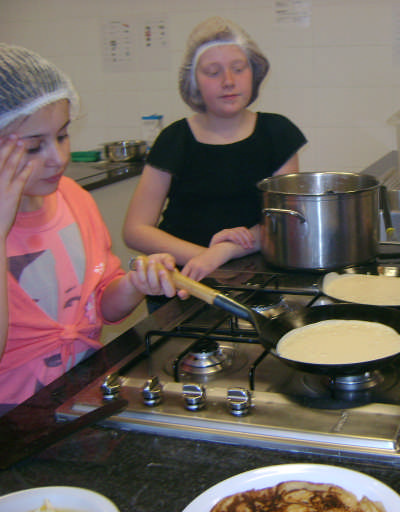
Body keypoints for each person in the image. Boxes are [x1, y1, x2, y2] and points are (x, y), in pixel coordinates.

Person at [0, 43, 182, 415]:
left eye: (63, 136)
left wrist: (133, 284)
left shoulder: (74, 199)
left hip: (81, 396)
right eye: (34, 147)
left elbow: (102, 307)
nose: (58, 158)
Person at [123, 16, 307, 283]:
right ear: (194, 80)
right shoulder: (174, 139)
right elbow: (135, 229)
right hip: (185, 282)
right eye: (213, 72)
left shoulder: (277, 133)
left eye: (238, 68)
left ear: (254, 73)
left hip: (259, 278)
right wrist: (204, 257)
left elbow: (284, 219)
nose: (228, 81)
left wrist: (225, 252)